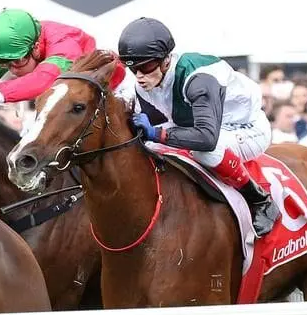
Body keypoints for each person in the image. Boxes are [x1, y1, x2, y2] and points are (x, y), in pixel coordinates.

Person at [118, 17, 279, 236]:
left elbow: (206, 138)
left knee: (205, 153)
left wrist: (157, 133)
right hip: (202, 125)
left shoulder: (198, 79)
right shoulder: (146, 79)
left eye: (145, 66)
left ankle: (260, 200)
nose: (139, 76)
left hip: (246, 128)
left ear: (166, 60)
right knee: (148, 149)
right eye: (132, 69)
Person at [0, 8, 131, 115]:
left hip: (120, 94)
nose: (12, 69)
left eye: (17, 62)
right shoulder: (18, 49)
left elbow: (46, 79)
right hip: (74, 103)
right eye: (5, 63)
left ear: (36, 47)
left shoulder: (63, 43)